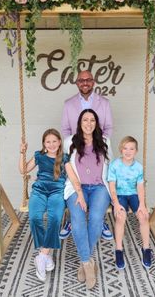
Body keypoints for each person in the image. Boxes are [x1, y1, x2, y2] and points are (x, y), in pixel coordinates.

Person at [19, 128, 85, 282]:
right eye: (48, 142)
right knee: (35, 217)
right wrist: (22, 153)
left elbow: (73, 177)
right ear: (44, 143)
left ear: (60, 142)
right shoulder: (39, 156)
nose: (51, 144)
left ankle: (42, 256)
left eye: (54, 141)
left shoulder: (64, 158)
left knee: (55, 218)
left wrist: (80, 193)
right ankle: (45, 254)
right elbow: (23, 170)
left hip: (56, 192)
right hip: (39, 191)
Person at [60, 70, 113, 241]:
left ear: (94, 82)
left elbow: (108, 128)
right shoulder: (68, 104)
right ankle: (72, 220)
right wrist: (75, 148)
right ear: (77, 83)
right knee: (76, 187)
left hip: (96, 151)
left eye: (88, 79)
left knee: (98, 186)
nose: (85, 82)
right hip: (77, 154)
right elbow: (66, 130)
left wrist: (97, 146)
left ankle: (99, 221)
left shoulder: (104, 103)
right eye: (81, 80)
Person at [64, 109, 113, 289]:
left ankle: (85, 261)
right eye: (85, 120)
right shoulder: (69, 141)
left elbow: (112, 166)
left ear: (96, 123)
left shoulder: (105, 141)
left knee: (96, 219)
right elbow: (66, 167)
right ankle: (87, 263)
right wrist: (79, 193)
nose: (89, 123)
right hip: (76, 188)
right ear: (79, 122)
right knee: (77, 221)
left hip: (100, 187)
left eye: (92, 120)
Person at [107, 136, 152, 270]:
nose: (128, 151)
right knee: (121, 216)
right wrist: (115, 203)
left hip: (133, 194)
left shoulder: (138, 167)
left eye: (131, 148)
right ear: (121, 150)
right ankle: (119, 250)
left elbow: (140, 187)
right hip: (119, 195)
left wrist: (142, 204)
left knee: (143, 216)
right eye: (125, 148)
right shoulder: (114, 165)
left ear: (136, 151)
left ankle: (146, 248)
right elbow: (112, 185)